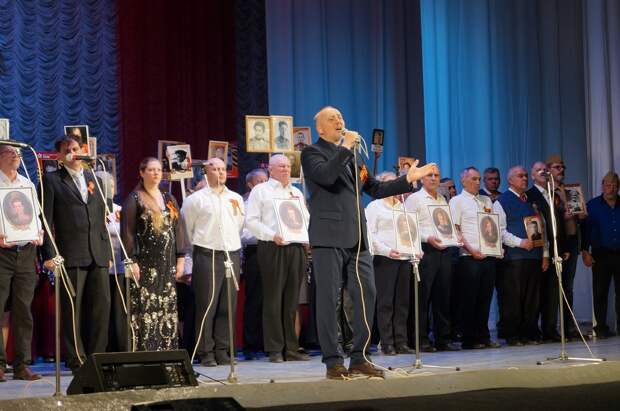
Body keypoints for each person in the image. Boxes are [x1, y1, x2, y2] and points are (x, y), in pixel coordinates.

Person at [300, 106, 435, 380]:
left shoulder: (354, 156)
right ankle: (333, 362)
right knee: (329, 299)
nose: (339, 120)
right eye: (332, 118)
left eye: (340, 117)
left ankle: (360, 357)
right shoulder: (312, 153)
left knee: (367, 294)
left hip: (358, 237)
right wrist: (345, 147)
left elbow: (374, 188)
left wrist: (408, 179)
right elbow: (326, 176)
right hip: (328, 236)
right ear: (320, 128)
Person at [41, 135, 111, 373]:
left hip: (97, 253)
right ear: (60, 156)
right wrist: (49, 255)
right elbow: (46, 220)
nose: (73, 153)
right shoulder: (52, 180)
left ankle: (97, 357)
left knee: (101, 307)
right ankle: (76, 358)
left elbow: (101, 219)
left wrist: (106, 251)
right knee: (72, 309)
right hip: (70, 253)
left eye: (76, 148)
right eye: (67, 150)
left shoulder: (95, 178)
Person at [245, 154, 310, 362]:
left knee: (292, 300)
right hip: (272, 246)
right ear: (270, 169)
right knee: (273, 298)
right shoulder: (260, 191)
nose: (286, 169)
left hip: (296, 247)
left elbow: (305, 218)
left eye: (288, 166)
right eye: (281, 166)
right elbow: (251, 221)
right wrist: (271, 235)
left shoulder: (296, 192)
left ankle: (291, 348)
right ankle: (274, 348)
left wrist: (305, 237)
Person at [181, 158, 244, 366]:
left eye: (222, 169)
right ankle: (205, 351)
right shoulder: (195, 200)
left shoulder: (235, 198)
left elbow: (239, 225)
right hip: (207, 254)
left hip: (231, 254)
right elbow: (187, 230)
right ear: (206, 173)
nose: (220, 172)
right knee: (207, 305)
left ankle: (223, 350)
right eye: (215, 169)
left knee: (227, 305)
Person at [121, 158, 189, 351]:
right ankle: (146, 351)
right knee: (147, 308)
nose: (156, 173)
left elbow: (178, 229)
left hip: (167, 263)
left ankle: (166, 351)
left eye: (158, 170)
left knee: (167, 307)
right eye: (151, 170)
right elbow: (128, 232)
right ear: (142, 173)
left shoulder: (169, 198)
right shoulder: (135, 199)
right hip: (145, 263)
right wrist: (131, 260)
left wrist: (181, 259)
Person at [405, 165, 461, 352]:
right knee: (422, 298)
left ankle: (443, 339)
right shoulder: (414, 199)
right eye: (429, 175)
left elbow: (446, 225)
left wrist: (455, 236)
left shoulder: (442, 199)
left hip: (444, 251)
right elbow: (408, 226)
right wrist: (426, 238)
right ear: (422, 178)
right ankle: (420, 340)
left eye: (436, 175)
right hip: (425, 251)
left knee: (442, 297)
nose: (433, 178)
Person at [493, 166, 549, 345]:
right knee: (513, 298)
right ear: (510, 180)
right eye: (520, 176)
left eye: (525, 176)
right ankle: (513, 334)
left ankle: (529, 332)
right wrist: (520, 242)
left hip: (534, 256)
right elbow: (499, 231)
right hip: (514, 257)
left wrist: (545, 253)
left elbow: (541, 227)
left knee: (533, 298)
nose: (524, 178)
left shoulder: (531, 200)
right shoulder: (501, 202)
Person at [0, 145, 41, 381]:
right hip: (1, 253)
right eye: (10, 153)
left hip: (25, 251)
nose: (16, 156)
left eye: (17, 153)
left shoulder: (27, 184)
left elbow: (36, 215)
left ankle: (21, 365)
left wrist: (39, 232)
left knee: (24, 310)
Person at [449, 167, 501, 349]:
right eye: (474, 179)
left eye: (479, 179)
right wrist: (471, 250)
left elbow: (492, 227)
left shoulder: (486, 200)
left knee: (485, 299)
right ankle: (469, 339)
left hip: (488, 255)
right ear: (463, 181)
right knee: (469, 299)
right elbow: (455, 230)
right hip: (469, 257)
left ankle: (483, 336)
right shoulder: (457, 201)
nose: (478, 182)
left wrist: (496, 248)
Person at [365, 172, 415, 356]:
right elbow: (370, 234)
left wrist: (415, 249)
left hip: (404, 258)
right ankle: (387, 343)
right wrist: (387, 250)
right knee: (385, 302)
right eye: (389, 183)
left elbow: (410, 232)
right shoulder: (374, 206)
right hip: (384, 259)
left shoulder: (402, 206)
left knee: (402, 303)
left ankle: (401, 342)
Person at [525, 161, 568, 343]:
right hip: (539, 250)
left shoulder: (553, 194)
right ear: (533, 176)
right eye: (538, 170)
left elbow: (559, 222)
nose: (542, 172)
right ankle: (533, 330)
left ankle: (550, 329)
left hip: (555, 249)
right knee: (537, 293)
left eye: (544, 169)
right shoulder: (529, 195)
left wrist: (563, 247)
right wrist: (543, 250)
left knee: (552, 292)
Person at [547, 154, 586, 339]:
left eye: (562, 167)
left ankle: (568, 327)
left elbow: (581, 215)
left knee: (568, 287)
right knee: (553, 287)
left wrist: (578, 211)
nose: (561, 170)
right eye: (557, 167)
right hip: (555, 242)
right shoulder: (547, 191)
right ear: (549, 169)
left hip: (571, 241)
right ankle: (551, 328)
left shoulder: (571, 190)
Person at [582, 171, 620, 338]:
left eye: (614, 186)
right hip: (600, 255)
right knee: (600, 293)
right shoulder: (592, 206)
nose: (611, 189)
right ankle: (601, 328)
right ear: (602, 186)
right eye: (608, 185)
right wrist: (585, 252)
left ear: (618, 187)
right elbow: (584, 230)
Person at [240, 169, 268, 360]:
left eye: (266, 180)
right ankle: (251, 345)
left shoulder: (273, 201)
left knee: (271, 299)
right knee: (254, 299)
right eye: (259, 181)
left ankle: (269, 344)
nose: (263, 184)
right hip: (255, 251)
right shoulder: (244, 203)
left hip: (274, 250)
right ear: (250, 185)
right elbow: (243, 233)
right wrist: (266, 232)